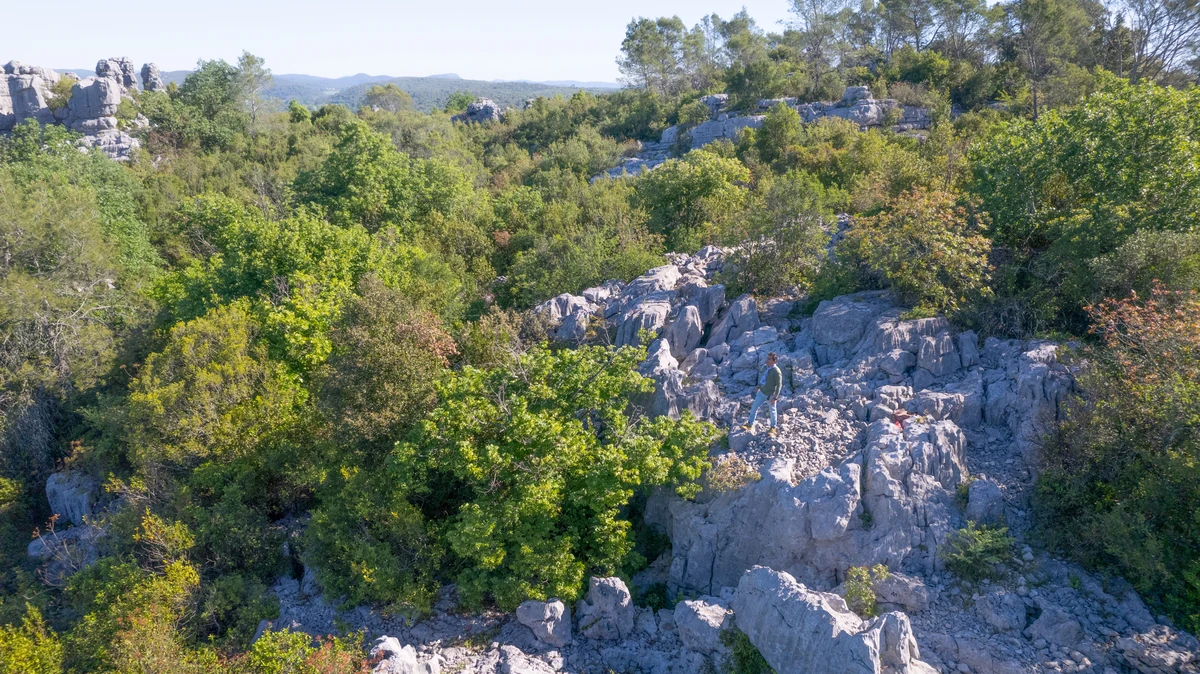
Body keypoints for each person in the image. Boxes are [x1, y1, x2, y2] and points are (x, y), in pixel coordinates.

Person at [743, 352, 782, 435]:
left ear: (774, 361)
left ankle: (773, 427)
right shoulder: (765, 367)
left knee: (772, 411)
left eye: (769, 359)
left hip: (770, 395)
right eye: (767, 358)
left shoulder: (777, 372)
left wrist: (775, 398)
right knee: (754, 407)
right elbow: (763, 378)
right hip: (762, 392)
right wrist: (758, 387)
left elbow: (779, 385)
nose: (766, 360)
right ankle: (750, 424)